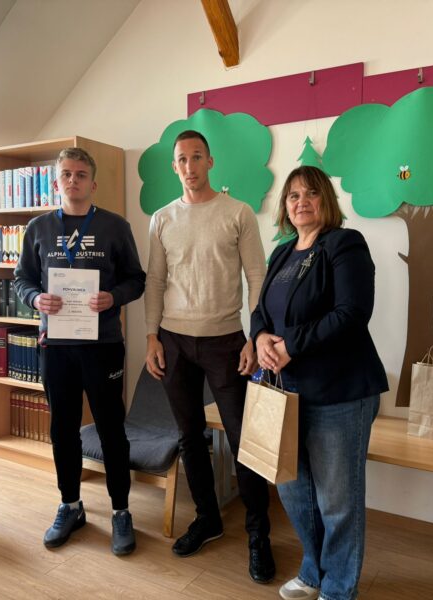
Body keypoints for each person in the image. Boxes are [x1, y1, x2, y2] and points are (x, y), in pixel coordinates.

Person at [251, 165, 388, 600]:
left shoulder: (345, 244)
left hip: (340, 393)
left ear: (325, 199)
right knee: (294, 492)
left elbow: (352, 313)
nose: (301, 202)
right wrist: (260, 337)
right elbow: (260, 311)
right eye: (293, 196)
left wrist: (291, 345)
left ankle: (339, 589)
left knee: (337, 502)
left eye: (310, 193)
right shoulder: (282, 253)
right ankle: (314, 571)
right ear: (285, 206)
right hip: (287, 392)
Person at [145, 130, 275, 583]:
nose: (190, 166)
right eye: (182, 159)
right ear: (174, 167)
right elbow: (155, 281)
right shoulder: (162, 218)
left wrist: (254, 337)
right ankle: (208, 518)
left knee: (243, 441)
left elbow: (257, 277)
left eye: (197, 157)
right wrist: (151, 337)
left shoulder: (237, 213)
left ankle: (259, 534)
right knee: (189, 436)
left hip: (226, 342)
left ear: (210, 161)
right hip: (173, 341)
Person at [14, 147, 145, 555]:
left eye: (81, 174)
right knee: (62, 429)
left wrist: (113, 297)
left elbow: (136, 279)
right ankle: (70, 505)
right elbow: (22, 280)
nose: (73, 180)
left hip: (103, 346)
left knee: (111, 429)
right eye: (66, 174)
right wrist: (35, 299)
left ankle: (121, 510)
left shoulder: (115, 226)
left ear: (93, 182)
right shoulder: (37, 228)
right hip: (56, 347)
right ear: (56, 182)